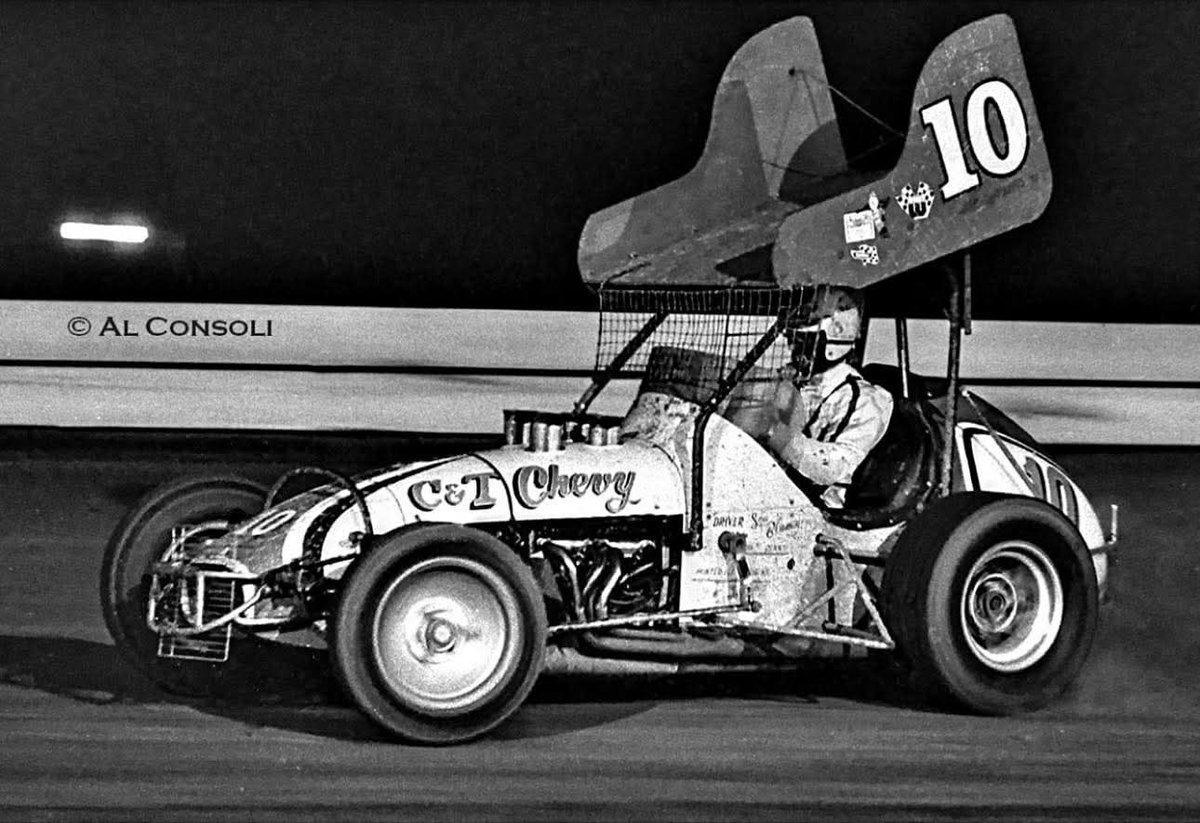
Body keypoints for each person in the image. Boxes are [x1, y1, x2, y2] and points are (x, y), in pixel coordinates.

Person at [763, 287, 893, 508]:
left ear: (835, 336)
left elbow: (832, 468)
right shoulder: (790, 383)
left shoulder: (865, 400)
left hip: (821, 510)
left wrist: (773, 431)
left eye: (804, 342)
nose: (794, 349)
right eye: (793, 341)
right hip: (777, 497)